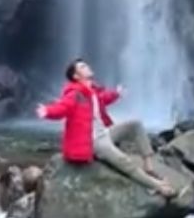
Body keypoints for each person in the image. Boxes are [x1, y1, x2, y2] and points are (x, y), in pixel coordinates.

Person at [36, 58, 177, 198]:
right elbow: (63, 108)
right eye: (83, 66)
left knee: (135, 125)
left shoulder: (91, 91)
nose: (87, 67)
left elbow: (103, 99)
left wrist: (117, 94)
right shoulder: (75, 94)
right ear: (76, 76)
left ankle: (148, 166)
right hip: (93, 140)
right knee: (124, 161)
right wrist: (47, 111)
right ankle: (156, 186)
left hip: (104, 133)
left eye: (86, 65)